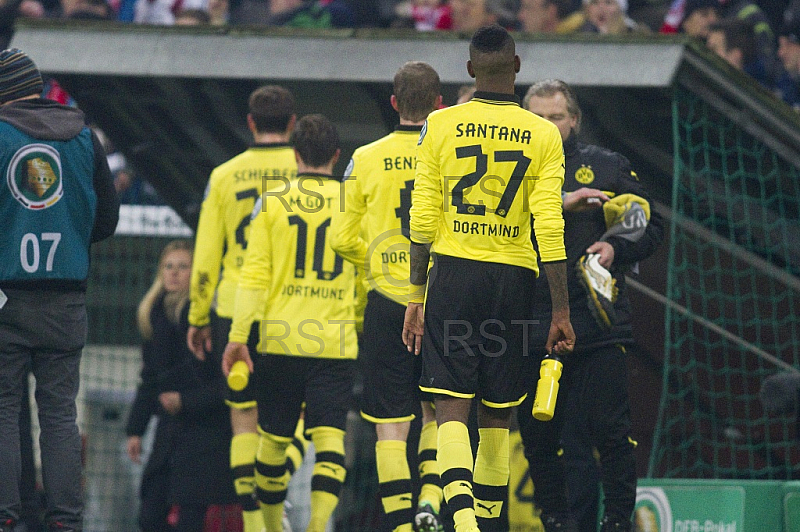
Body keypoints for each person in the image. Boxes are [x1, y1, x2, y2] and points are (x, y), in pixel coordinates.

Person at [402, 25, 575, 532]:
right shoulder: (542, 133)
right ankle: (488, 524)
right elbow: (550, 224)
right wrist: (560, 309)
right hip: (515, 282)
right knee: (499, 413)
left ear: (470, 68)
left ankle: (463, 522)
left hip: (454, 276)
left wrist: (416, 293)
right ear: (517, 67)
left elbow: (422, 216)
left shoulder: (440, 124)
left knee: (451, 407)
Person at [519, 79, 664, 532]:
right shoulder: (507, 173)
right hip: (531, 319)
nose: (547, 125)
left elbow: (648, 221)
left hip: (598, 321)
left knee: (609, 433)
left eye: (556, 117)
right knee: (540, 436)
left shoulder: (606, 166)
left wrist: (615, 249)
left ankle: (617, 523)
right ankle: (556, 521)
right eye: (537, 117)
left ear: (574, 119)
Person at [0, 48, 119, 532]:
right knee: (59, 415)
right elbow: (106, 221)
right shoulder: (85, 139)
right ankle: (66, 520)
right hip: (66, 299)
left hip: (6, 296)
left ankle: (6, 518)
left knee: (5, 411)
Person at [222, 114, 359, 532]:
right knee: (330, 437)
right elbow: (366, 269)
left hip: (280, 339)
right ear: (337, 156)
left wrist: (238, 337)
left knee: (274, 439)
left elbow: (254, 276)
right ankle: (318, 525)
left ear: (296, 155)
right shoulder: (355, 203)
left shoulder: (271, 201)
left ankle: (268, 525)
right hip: (334, 341)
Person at [330, 61, 445, 532]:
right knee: (441, 409)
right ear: (440, 105)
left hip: (386, 302)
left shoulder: (365, 157)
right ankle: (431, 508)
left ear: (394, 103)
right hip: (441, 300)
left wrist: (376, 264)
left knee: (389, 424)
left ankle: (399, 524)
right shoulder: (451, 153)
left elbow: (340, 238)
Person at [186, 84, 298, 532]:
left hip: (234, 310)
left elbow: (205, 256)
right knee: (296, 415)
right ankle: (279, 502)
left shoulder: (225, 174)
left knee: (243, 416)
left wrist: (198, 316)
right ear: (292, 123)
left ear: (250, 123)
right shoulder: (306, 169)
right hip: (291, 308)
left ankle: (254, 521)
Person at [127, 240, 238, 531]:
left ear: (196, 272)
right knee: (149, 515)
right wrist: (135, 429)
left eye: (183, 266)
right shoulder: (155, 316)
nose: (174, 273)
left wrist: (184, 401)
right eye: (168, 266)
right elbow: (150, 379)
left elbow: (225, 387)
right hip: (170, 433)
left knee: (189, 519)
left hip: (206, 435)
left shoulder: (210, 321)